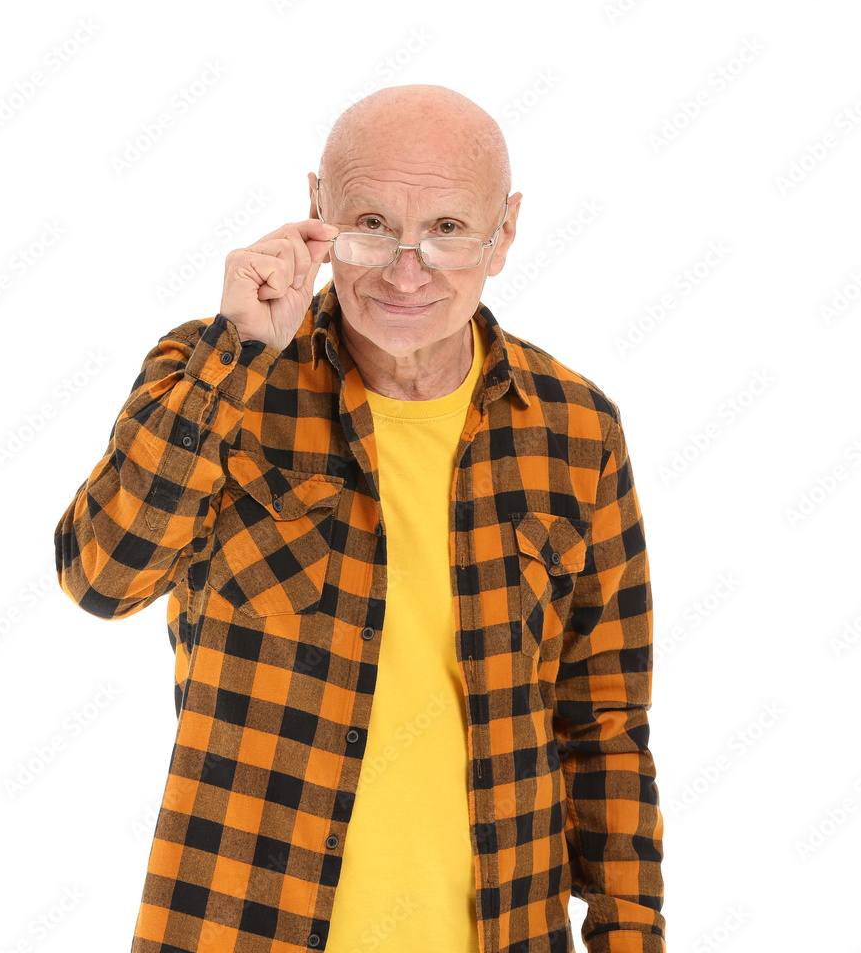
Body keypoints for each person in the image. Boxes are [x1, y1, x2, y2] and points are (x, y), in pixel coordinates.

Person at [55, 83, 667, 953]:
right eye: (372, 223)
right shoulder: (215, 375)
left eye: (448, 230)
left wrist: (627, 935)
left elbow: (602, 722)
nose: (405, 270)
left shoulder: (575, 429)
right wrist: (237, 351)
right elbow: (100, 579)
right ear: (315, 212)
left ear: (506, 232)